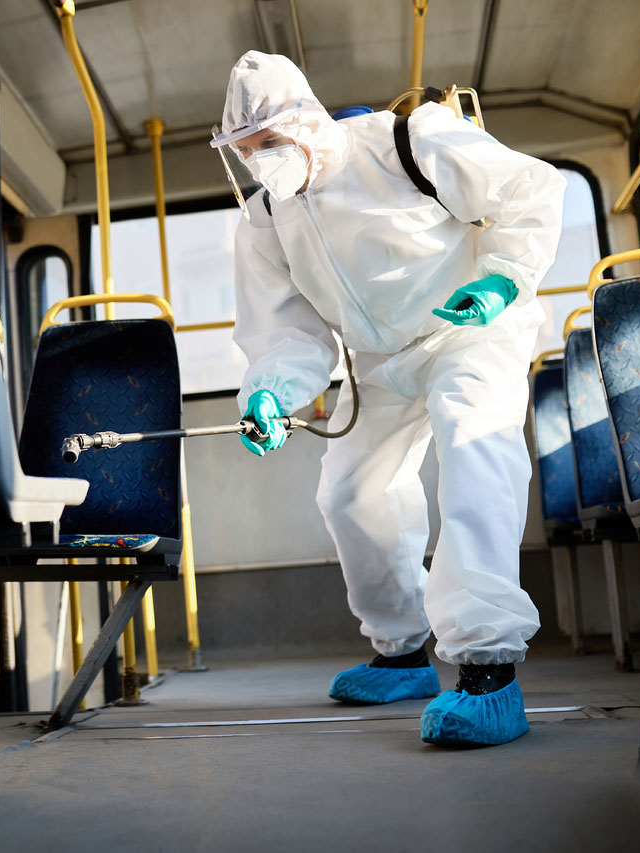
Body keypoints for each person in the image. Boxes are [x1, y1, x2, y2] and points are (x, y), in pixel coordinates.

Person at [212, 51, 565, 747]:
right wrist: (271, 393)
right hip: (382, 361)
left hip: (471, 327)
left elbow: (528, 190)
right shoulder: (264, 222)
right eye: (247, 152)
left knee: (474, 450)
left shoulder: (406, 139)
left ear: (308, 122)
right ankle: (403, 651)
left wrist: (500, 280)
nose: (261, 163)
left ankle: (488, 671)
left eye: (270, 144)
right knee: (350, 491)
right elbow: (290, 333)